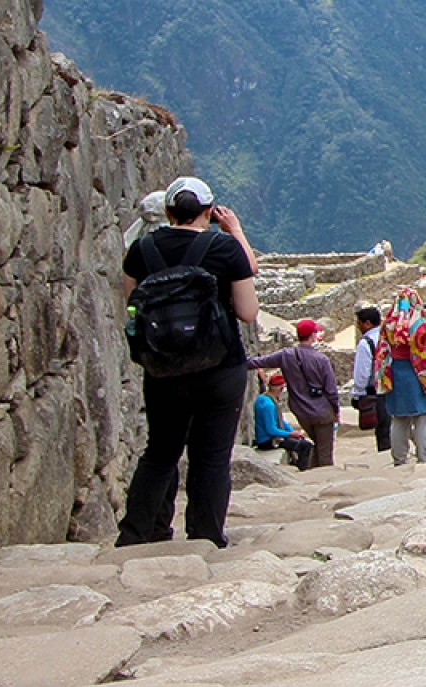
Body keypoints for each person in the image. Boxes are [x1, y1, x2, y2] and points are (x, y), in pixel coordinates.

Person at [116, 176, 259, 547]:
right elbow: (247, 311)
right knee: (211, 456)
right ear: (209, 212)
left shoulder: (140, 251)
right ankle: (205, 537)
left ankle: (138, 533)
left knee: (160, 451)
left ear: (167, 212)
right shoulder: (225, 249)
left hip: (163, 369)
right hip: (219, 366)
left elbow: (133, 314)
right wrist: (235, 231)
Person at [247, 318, 338, 468]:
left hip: (301, 410)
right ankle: (323, 478)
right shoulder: (321, 360)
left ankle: (312, 471)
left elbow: (258, 362)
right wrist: (336, 410)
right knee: (325, 452)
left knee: (316, 445)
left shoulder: (285, 355)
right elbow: (331, 390)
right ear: (313, 336)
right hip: (322, 411)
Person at [375, 287, 426, 464]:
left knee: (399, 418)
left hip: (395, 374)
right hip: (417, 375)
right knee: (424, 416)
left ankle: (399, 458)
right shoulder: (416, 324)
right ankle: (424, 456)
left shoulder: (389, 324)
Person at [348, 306, 391, 452]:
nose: (359, 327)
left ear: (367, 323)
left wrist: (358, 393)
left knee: (382, 430)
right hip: (393, 388)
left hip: (377, 392)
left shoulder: (366, 343)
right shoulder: (389, 336)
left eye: (359, 323)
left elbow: (362, 373)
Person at [251, 373, 315, 468]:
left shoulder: (262, 398)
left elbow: (280, 420)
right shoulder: (269, 405)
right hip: (267, 441)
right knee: (306, 446)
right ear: (281, 389)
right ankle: (302, 468)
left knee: (298, 440)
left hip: (265, 438)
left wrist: (291, 431)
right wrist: (290, 434)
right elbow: (271, 429)